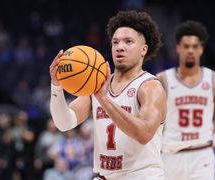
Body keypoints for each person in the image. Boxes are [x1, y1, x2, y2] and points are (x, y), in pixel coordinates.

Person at [49, 10, 166, 180]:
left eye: (128, 42)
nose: (120, 47)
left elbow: (144, 134)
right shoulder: (97, 85)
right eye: (115, 42)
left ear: (143, 49)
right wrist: (56, 86)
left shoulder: (150, 87)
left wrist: (104, 99)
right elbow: (64, 123)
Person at [156, 20, 215, 180]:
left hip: (202, 155)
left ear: (201, 49)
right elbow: (154, 127)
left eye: (195, 46)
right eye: (186, 46)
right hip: (170, 156)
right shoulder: (163, 79)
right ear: (178, 48)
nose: (190, 50)